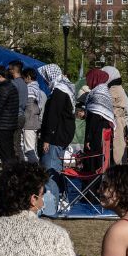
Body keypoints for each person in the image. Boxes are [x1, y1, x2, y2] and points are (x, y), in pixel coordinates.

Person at [37, 64, 76, 217]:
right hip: (61, 136)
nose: (45, 80)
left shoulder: (59, 92)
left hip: (55, 137)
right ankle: (59, 202)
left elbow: (53, 118)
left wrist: (47, 138)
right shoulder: (65, 89)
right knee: (56, 170)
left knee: (50, 171)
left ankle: (50, 208)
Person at [82, 69, 115, 172]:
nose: (87, 83)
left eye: (89, 80)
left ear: (94, 79)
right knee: (102, 160)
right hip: (104, 133)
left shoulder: (97, 94)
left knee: (94, 162)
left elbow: (95, 117)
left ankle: (93, 181)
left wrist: (89, 138)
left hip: (96, 134)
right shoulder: (105, 92)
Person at [0, 65, 20, 167]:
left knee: (4, 152)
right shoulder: (12, 87)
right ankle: (13, 171)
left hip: (3, 125)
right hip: (10, 124)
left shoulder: (3, 89)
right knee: (9, 151)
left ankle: (9, 172)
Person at [102, 66, 128, 164]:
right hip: (120, 123)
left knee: (117, 150)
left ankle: (118, 170)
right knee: (120, 148)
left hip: (116, 123)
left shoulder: (114, 89)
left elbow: (107, 106)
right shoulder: (119, 88)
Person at [20, 68, 45, 163]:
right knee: (33, 149)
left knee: (29, 150)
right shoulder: (38, 89)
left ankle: (34, 168)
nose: (23, 81)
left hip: (30, 123)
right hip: (36, 122)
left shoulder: (29, 89)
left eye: (23, 78)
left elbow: (30, 108)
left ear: (28, 77)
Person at [7, 60, 29, 161]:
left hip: (14, 116)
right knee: (17, 143)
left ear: (13, 70)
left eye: (9, 69)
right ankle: (19, 164)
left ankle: (18, 165)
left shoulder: (13, 84)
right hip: (21, 116)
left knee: (12, 144)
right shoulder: (24, 84)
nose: (8, 71)